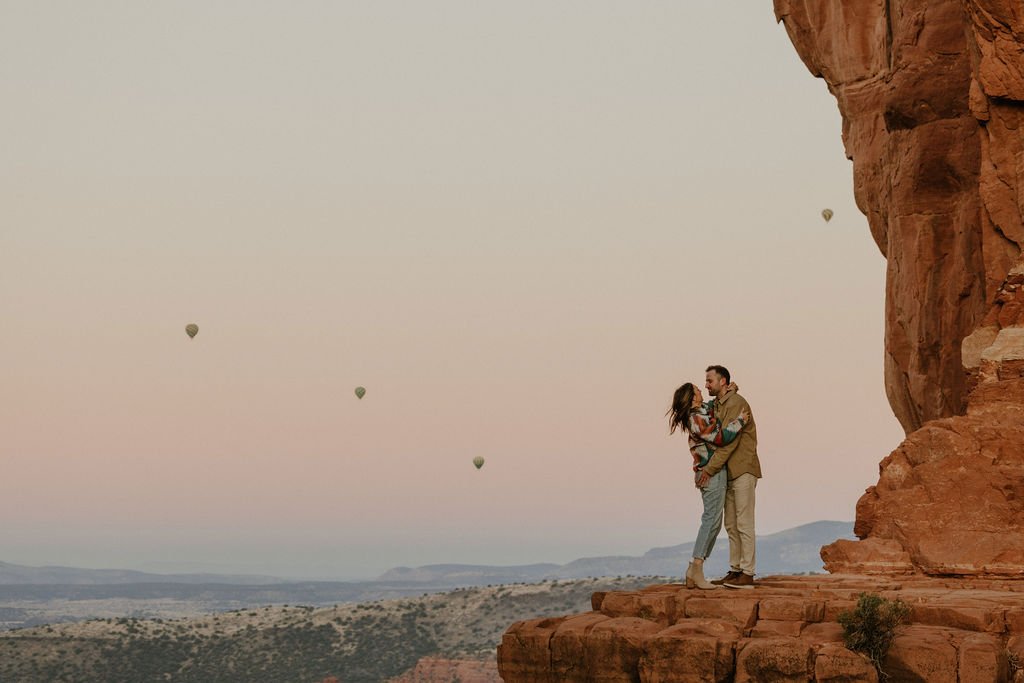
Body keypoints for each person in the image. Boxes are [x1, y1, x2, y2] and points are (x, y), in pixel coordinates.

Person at [667, 381, 749, 590]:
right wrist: (739, 421)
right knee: (711, 521)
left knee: (713, 521)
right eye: (697, 390)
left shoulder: (701, 411)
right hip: (710, 474)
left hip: (712, 472)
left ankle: (694, 570)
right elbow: (719, 438)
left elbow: (713, 406)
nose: (701, 391)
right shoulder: (696, 418)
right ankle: (696, 568)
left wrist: (730, 391)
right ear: (692, 397)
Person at [697, 365, 761, 589]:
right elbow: (705, 412)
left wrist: (708, 470)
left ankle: (748, 573)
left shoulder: (736, 403)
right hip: (729, 472)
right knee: (731, 524)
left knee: (744, 522)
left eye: (709, 381)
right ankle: (735, 570)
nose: (706, 385)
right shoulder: (719, 403)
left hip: (743, 469)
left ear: (722, 381)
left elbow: (727, 442)